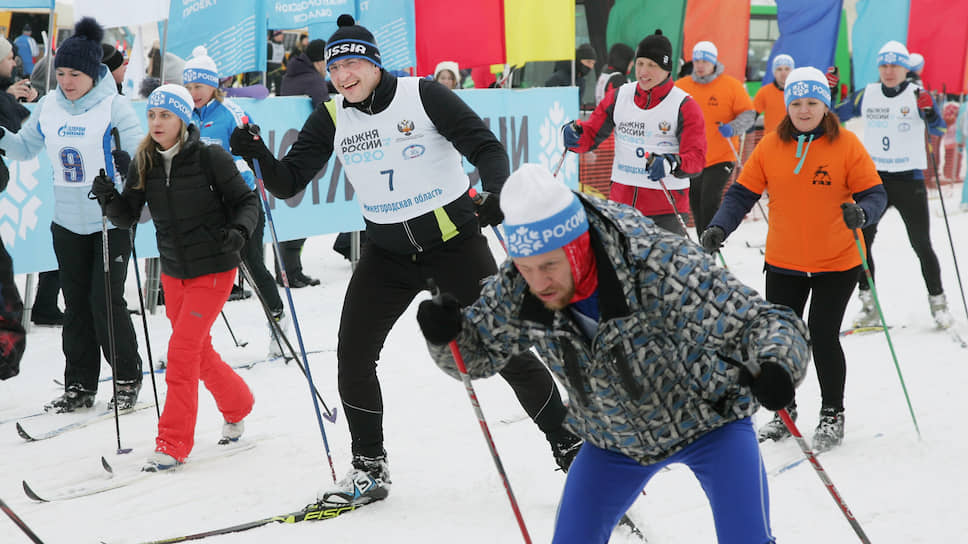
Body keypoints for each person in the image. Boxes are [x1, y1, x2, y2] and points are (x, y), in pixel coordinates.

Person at [230, 14, 580, 506]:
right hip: (387, 256)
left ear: (374, 64)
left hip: (454, 246)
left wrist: (497, 190)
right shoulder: (332, 115)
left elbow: (485, 146)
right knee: (352, 354)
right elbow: (288, 182)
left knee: (506, 351)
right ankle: (369, 466)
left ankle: (570, 445)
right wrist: (258, 155)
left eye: (353, 64)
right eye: (335, 68)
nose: (343, 76)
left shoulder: (423, 95)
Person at [415, 163, 810, 543]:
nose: (539, 282)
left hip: (710, 419)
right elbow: (476, 355)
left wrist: (777, 364)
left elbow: (765, 321)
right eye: (526, 267)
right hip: (614, 436)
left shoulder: (657, 264)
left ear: (578, 246)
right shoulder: (522, 285)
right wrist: (447, 335)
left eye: (549, 266)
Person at [701, 67, 887, 451]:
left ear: (825, 105)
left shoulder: (847, 145)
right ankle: (784, 411)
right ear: (788, 106)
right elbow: (741, 194)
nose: (804, 110)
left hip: (837, 261)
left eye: (812, 103)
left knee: (821, 334)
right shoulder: (771, 145)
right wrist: (720, 227)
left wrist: (863, 214)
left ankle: (832, 412)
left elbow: (875, 194)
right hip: (785, 260)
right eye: (797, 103)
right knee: (780, 340)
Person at [91, 84, 258, 471]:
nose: (156, 122)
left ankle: (172, 443)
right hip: (175, 272)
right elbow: (128, 215)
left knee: (181, 353)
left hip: (215, 267)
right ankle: (238, 404)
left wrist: (240, 231)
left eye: (165, 115)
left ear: (183, 119)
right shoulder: (144, 161)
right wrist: (108, 198)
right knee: (198, 352)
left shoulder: (209, 157)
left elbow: (247, 201)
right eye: (151, 115)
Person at [0, 17, 144, 412]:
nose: (66, 80)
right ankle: (79, 384)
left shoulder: (114, 106)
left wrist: (125, 163)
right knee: (76, 304)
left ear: (94, 73)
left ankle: (128, 377)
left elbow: (141, 157)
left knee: (105, 301)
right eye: (61, 72)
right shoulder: (49, 106)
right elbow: (24, 149)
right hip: (66, 221)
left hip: (108, 221)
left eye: (75, 74)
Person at [834, 40, 953, 329]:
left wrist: (931, 112)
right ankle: (868, 303)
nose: (889, 71)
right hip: (874, 181)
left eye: (895, 65)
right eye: (884, 65)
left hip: (908, 179)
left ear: (905, 68)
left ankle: (938, 304)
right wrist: (828, 91)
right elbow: (835, 115)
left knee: (921, 244)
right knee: (862, 242)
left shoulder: (917, 93)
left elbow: (937, 128)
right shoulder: (869, 94)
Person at [183, 46, 290, 357]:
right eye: (188, 88)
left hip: (242, 201)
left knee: (253, 265)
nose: (194, 93)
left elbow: (255, 154)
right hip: (207, 206)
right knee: (203, 273)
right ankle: (193, 340)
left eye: (199, 86)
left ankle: (278, 322)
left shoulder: (231, 113)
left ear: (213, 85)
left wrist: (249, 144)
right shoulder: (186, 117)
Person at [562, 30, 706, 236]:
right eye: (640, 63)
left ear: (667, 70)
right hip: (622, 205)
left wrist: (671, 162)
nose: (643, 72)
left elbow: (697, 159)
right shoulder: (620, 96)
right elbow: (591, 132)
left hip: (666, 209)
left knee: (660, 269)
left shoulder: (684, 106)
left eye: (652, 65)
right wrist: (574, 135)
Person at [676, 40, 756, 238]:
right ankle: (706, 239)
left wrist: (733, 128)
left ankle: (710, 241)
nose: (700, 65)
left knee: (709, 198)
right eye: (697, 61)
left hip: (722, 155)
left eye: (705, 61)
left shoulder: (731, 86)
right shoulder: (682, 86)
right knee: (695, 199)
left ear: (714, 63)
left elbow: (748, 114)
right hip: (693, 156)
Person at [276, 39, 329, 288]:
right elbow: (325, 108)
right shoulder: (313, 79)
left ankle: (288, 270)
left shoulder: (293, 73)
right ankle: (290, 271)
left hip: (287, 146)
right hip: (307, 149)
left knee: (292, 213)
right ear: (320, 61)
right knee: (301, 213)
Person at [753, 54, 793, 134]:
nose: (783, 73)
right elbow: (751, 116)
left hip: (794, 141)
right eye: (779, 69)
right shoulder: (764, 92)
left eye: (787, 69)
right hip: (771, 141)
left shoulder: (798, 91)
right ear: (774, 72)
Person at [266, 30, 286, 94]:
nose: (282, 37)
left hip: (279, 68)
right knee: (268, 86)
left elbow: (283, 58)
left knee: (279, 86)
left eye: (282, 36)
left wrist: (288, 66)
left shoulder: (282, 45)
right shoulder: (269, 44)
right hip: (270, 68)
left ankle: (279, 98)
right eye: (280, 36)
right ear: (275, 36)